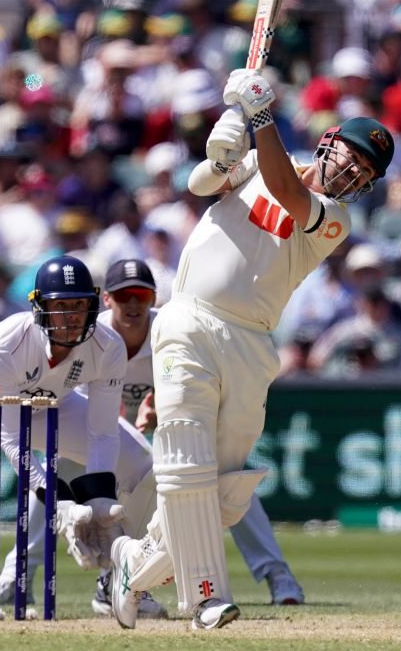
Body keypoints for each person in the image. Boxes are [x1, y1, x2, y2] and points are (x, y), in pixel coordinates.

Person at [108, 70, 395, 630]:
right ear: (328, 141)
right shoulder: (266, 157)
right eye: (351, 157)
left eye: (364, 172)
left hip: (251, 343)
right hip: (190, 319)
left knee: (225, 491)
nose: (352, 172)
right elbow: (198, 186)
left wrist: (258, 116)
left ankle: (134, 563)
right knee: (186, 463)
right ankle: (206, 597)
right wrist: (223, 153)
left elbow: (289, 193)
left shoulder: (335, 218)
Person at [0, 255, 154, 620]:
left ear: (93, 305)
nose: (71, 317)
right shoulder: (4, 343)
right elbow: (10, 439)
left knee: (141, 462)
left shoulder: (108, 346)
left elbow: (102, 434)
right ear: (39, 307)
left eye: (79, 306)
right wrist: (60, 504)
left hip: (50, 403)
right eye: (61, 306)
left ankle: (121, 578)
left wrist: (99, 503)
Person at [105, 259, 306, 609]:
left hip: (165, 440)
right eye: (124, 296)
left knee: (227, 480)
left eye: (141, 294)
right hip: (106, 440)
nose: (133, 304)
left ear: (154, 298)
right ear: (107, 299)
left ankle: (278, 575)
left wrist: (160, 410)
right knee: (53, 477)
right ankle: (18, 579)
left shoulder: (170, 329)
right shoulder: (94, 337)